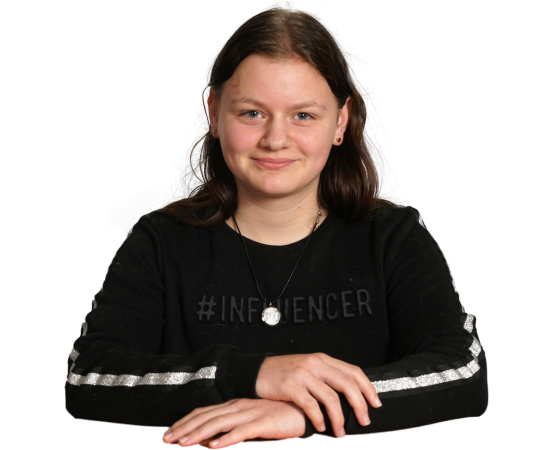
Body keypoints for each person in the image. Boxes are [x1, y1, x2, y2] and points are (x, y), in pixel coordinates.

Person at [64, 5, 488, 449]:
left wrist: (306, 414)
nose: (275, 140)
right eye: (252, 113)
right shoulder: (160, 243)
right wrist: (254, 373)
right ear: (214, 112)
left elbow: (464, 374)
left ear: (340, 121)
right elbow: (87, 378)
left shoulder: (394, 239)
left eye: (303, 115)